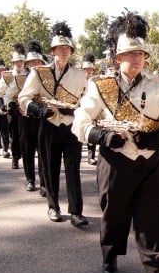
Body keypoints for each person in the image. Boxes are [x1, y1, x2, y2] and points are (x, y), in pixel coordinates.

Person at [72, 11, 159, 273]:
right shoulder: (100, 85)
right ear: (117, 58)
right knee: (114, 214)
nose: (136, 60)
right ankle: (109, 256)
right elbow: (80, 123)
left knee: (152, 217)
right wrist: (102, 136)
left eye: (140, 54)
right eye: (130, 54)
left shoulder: (158, 85)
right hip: (116, 162)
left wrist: (158, 137)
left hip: (150, 162)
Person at [18, 22, 88, 227]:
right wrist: (38, 110)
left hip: (71, 126)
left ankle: (76, 212)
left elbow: (85, 100)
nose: (64, 51)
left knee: (73, 169)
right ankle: (53, 206)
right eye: (60, 48)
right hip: (49, 125)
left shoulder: (79, 74)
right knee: (50, 167)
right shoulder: (40, 73)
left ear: (71, 51)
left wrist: (75, 110)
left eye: (67, 48)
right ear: (53, 51)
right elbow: (24, 98)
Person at [6, 40, 47, 192]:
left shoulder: (48, 77)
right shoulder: (20, 78)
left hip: (44, 119)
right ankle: (30, 179)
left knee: (44, 152)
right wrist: (14, 108)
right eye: (31, 62)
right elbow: (8, 96)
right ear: (28, 64)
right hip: (26, 119)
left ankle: (44, 183)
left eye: (37, 61)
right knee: (28, 151)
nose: (35, 64)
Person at [0, 43, 29, 169]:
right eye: (16, 62)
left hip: (26, 107)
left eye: (21, 61)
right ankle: (15, 157)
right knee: (14, 135)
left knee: (25, 136)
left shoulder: (30, 74)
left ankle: (27, 157)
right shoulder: (8, 75)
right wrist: (2, 105)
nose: (19, 64)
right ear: (13, 62)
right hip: (12, 108)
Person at [81, 53, 98, 165]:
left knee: (92, 132)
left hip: (91, 108)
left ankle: (90, 157)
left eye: (90, 69)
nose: (88, 71)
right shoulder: (78, 79)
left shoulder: (94, 81)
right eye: (86, 69)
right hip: (80, 108)